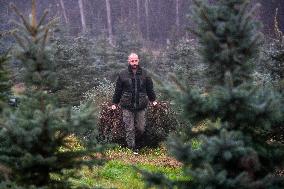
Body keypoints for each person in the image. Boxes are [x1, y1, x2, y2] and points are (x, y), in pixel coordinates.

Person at [111, 53, 157, 153]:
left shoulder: (145, 73)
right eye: (132, 61)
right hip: (127, 106)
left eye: (136, 61)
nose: (134, 63)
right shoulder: (122, 74)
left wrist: (153, 100)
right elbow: (118, 90)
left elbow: (150, 89)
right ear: (129, 61)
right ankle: (132, 148)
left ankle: (139, 144)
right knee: (129, 128)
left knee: (141, 128)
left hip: (141, 106)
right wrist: (115, 103)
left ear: (138, 60)